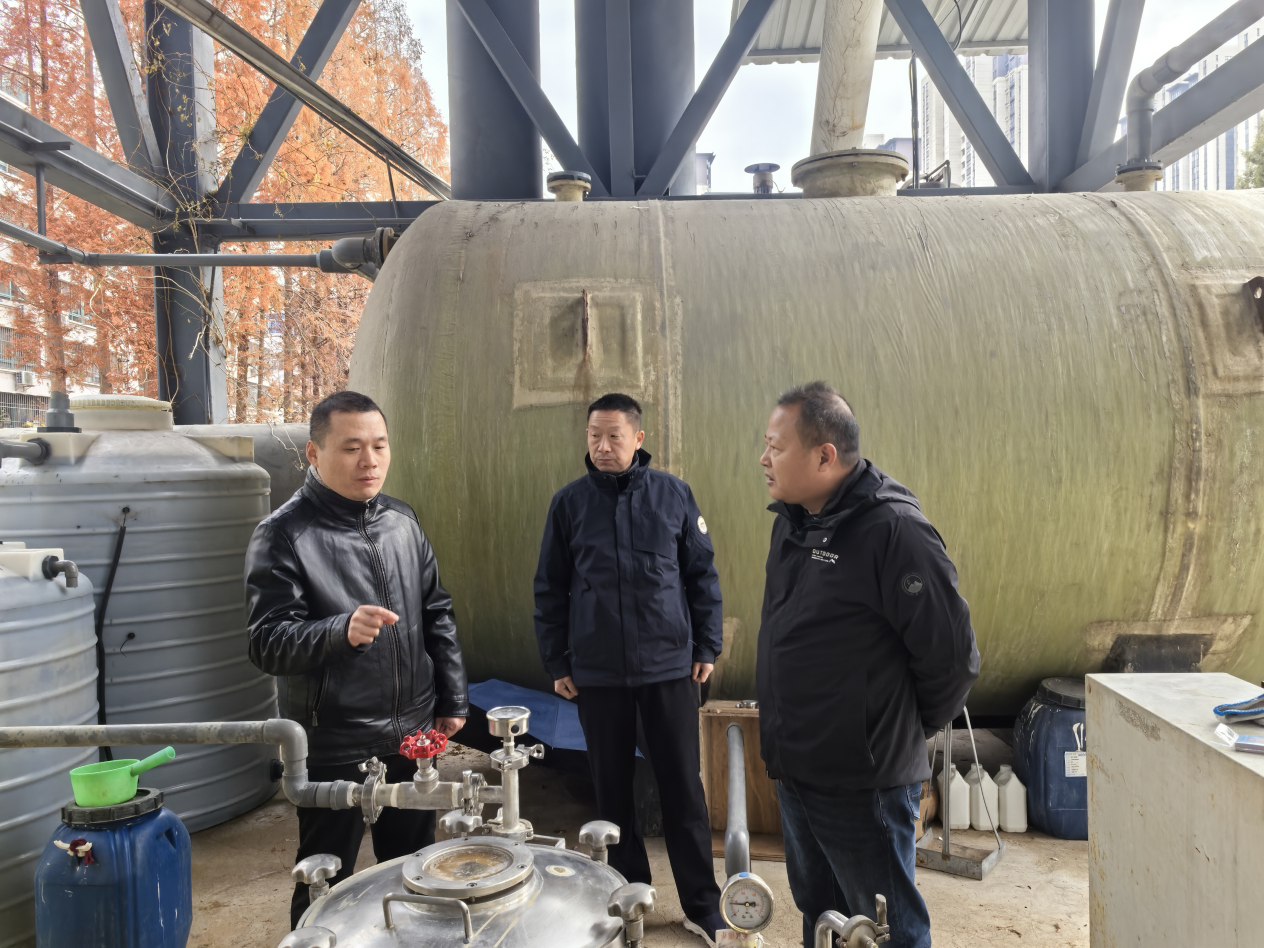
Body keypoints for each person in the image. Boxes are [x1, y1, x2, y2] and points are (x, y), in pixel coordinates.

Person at [757, 382, 979, 948]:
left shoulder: (894, 531)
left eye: (776, 447)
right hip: (797, 770)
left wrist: (889, 732)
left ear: (824, 456)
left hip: (863, 783)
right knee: (821, 913)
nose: (763, 459)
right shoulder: (793, 522)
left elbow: (953, 660)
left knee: (885, 929)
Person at [244, 390, 468, 928]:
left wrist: (452, 696)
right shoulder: (284, 535)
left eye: (379, 445)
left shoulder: (402, 521)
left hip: (413, 731)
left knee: (416, 870)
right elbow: (266, 642)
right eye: (351, 448)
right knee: (326, 878)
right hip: (336, 740)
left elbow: (436, 611)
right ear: (314, 454)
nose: (369, 460)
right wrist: (339, 631)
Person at [534, 393, 727, 946]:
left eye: (614, 435)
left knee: (683, 789)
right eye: (594, 435)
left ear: (638, 439)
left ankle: (702, 906)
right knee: (612, 793)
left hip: (669, 669)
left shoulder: (673, 495)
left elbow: (701, 576)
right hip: (598, 674)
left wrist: (706, 646)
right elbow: (549, 587)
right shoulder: (569, 504)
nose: (602, 446)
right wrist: (557, 660)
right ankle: (628, 897)